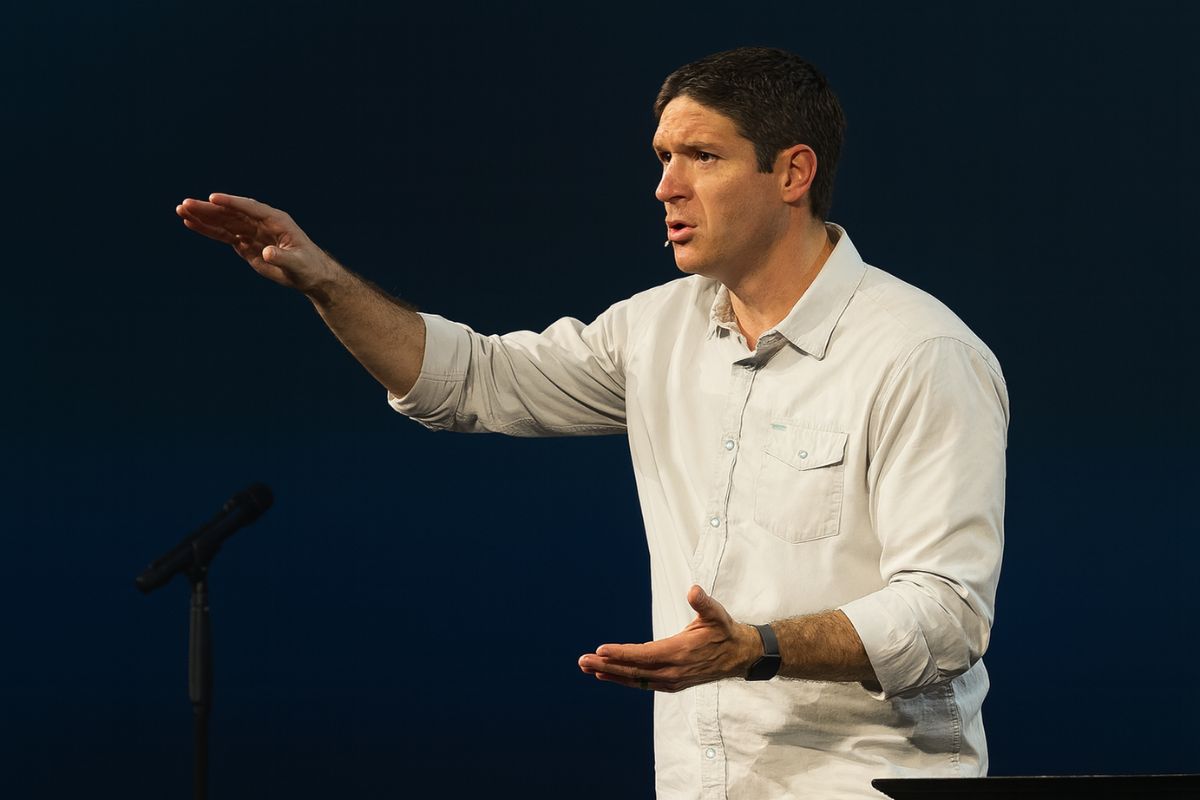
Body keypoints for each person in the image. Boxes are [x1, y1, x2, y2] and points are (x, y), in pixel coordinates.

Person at [177, 46, 1007, 800]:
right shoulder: (657, 329)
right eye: (663, 158)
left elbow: (947, 613)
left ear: (793, 173)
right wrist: (325, 282)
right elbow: (471, 382)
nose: (666, 187)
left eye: (702, 157)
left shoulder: (919, 353)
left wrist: (756, 646)